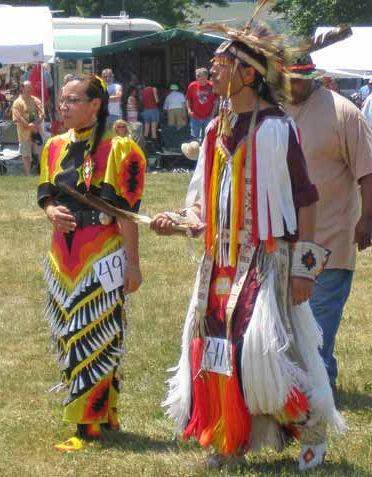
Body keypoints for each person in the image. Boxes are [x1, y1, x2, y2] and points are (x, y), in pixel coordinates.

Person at [150, 20, 344, 472]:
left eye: (222, 63)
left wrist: (302, 269)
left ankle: (312, 429)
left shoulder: (276, 129)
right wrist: (178, 222)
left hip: (266, 259)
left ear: (250, 73)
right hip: (219, 261)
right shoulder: (217, 130)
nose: (211, 71)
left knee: (266, 351)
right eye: (213, 63)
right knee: (215, 345)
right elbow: (201, 204)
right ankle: (229, 434)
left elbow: (305, 199)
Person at [38, 74, 146, 451]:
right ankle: (104, 416)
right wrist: (51, 210)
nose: (62, 106)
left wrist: (133, 264)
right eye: (62, 100)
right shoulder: (53, 146)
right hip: (61, 257)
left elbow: (126, 213)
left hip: (100, 255)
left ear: (95, 104)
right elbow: (46, 195)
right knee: (71, 336)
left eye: (71, 100)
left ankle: (88, 426)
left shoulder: (119, 149)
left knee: (95, 336)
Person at [285, 52, 372, 390]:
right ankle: (303, 387)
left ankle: (317, 392)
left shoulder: (343, 112)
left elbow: (367, 170)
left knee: (318, 322)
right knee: (289, 322)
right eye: (290, 78)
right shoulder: (275, 111)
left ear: (313, 75)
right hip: (285, 239)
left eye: (301, 78)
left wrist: (367, 218)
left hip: (330, 240)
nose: (295, 84)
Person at [12, 80, 44, 176]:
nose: (30, 89)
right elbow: (18, 117)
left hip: (37, 131)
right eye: (28, 87)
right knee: (26, 155)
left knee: (40, 152)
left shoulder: (36, 100)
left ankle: (43, 173)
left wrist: (35, 124)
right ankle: (28, 174)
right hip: (24, 133)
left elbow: (42, 114)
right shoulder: (17, 102)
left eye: (31, 87)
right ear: (22, 88)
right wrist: (29, 126)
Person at [185, 67, 217, 142]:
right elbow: (188, 99)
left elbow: (216, 102)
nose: (197, 77)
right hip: (195, 116)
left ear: (205, 76)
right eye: (196, 75)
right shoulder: (192, 86)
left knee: (208, 137)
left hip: (208, 117)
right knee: (194, 138)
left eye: (199, 75)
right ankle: (195, 153)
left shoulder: (212, 86)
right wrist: (189, 110)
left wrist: (212, 115)